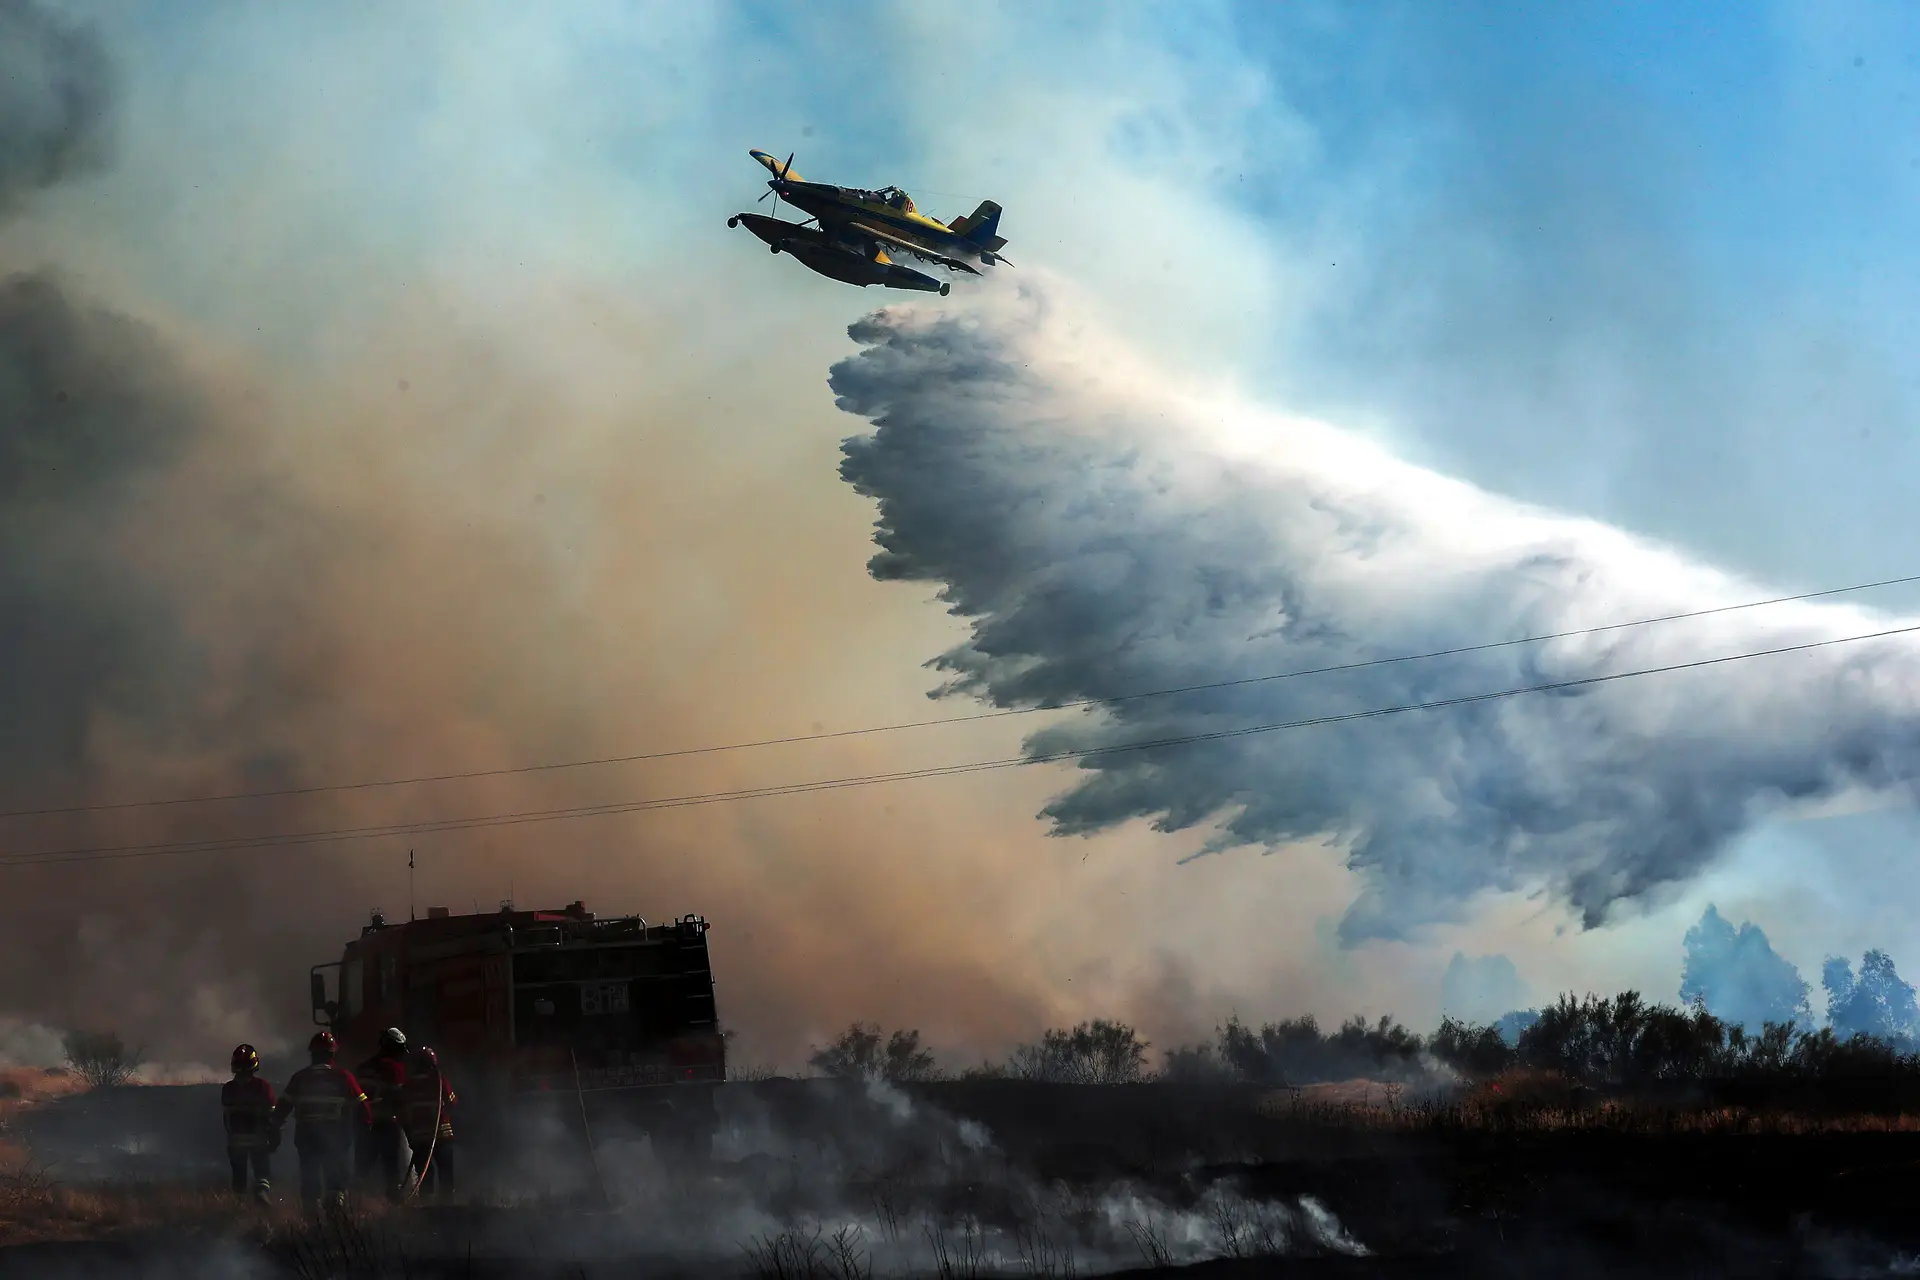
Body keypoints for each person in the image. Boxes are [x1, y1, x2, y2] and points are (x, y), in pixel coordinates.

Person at [272, 1031, 370, 1216]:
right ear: (333, 1053)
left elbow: (283, 1106)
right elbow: (363, 1106)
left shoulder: (300, 1078)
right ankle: (336, 1218)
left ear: (312, 1054)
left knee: (310, 1173)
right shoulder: (343, 1077)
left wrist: (274, 1125)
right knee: (335, 1175)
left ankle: (311, 1217)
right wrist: (366, 1127)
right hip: (336, 1135)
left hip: (306, 1135)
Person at [356, 1026, 410, 1200]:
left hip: (364, 1123)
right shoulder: (395, 1069)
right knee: (392, 1166)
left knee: (362, 1165)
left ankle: (353, 1202)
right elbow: (400, 1098)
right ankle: (395, 1204)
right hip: (387, 1122)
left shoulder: (363, 1067)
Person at [220, 1044, 276, 1202]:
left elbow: (226, 1116)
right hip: (258, 1138)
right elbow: (271, 1114)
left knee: (238, 1174)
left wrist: (230, 1136)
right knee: (262, 1172)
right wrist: (274, 1136)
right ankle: (261, 1191)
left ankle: (239, 1205)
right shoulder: (263, 1086)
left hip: (236, 1139)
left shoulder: (228, 1088)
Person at [399, 1045, 457, 1196]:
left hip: (420, 1138)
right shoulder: (440, 1081)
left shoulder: (408, 1085)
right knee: (446, 1173)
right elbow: (453, 1102)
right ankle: (447, 1203)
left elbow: (403, 1112)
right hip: (441, 1135)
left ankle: (426, 1204)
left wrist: (410, 1136)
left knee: (425, 1174)